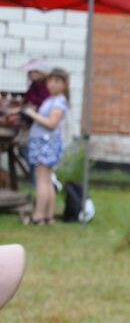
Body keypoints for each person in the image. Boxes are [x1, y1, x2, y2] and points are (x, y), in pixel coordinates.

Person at [20, 68, 70, 226]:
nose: (52, 84)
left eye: (57, 81)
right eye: (50, 80)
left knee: (41, 180)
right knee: (47, 180)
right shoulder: (51, 100)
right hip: (43, 142)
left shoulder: (59, 101)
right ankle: (48, 216)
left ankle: (38, 215)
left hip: (45, 143)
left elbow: (51, 123)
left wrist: (32, 114)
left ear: (64, 84)